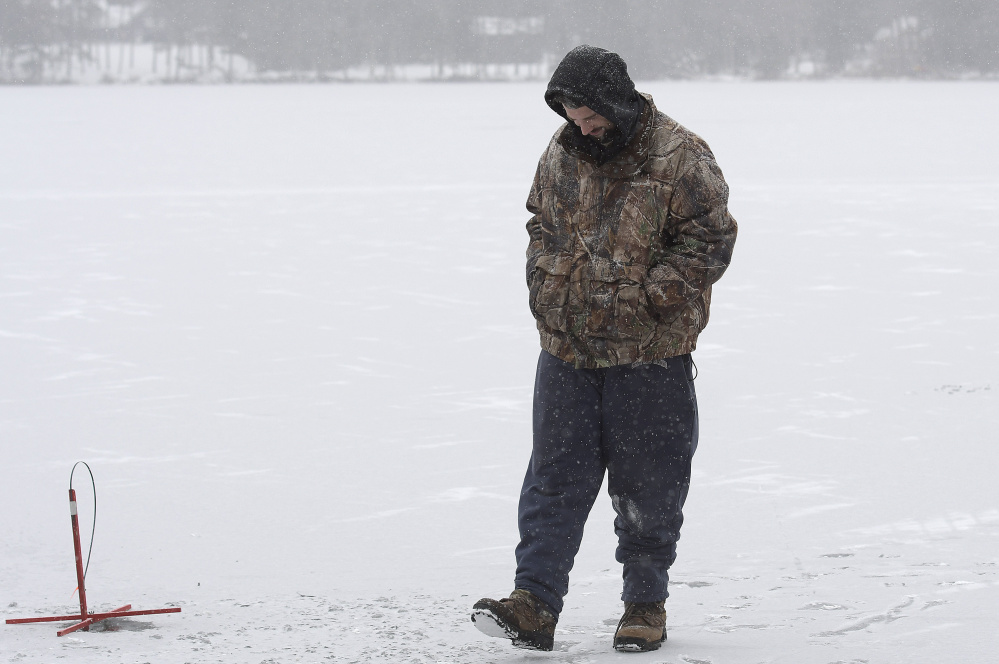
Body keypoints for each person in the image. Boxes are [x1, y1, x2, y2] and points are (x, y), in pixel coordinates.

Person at [470, 45, 738, 653]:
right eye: (571, 116)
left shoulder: (681, 156)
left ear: (617, 104)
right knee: (553, 477)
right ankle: (534, 601)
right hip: (566, 349)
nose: (581, 128)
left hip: (650, 356)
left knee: (648, 483)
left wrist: (646, 298)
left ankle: (645, 605)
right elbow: (540, 219)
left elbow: (711, 240)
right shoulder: (561, 150)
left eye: (591, 117)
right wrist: (546, 281)